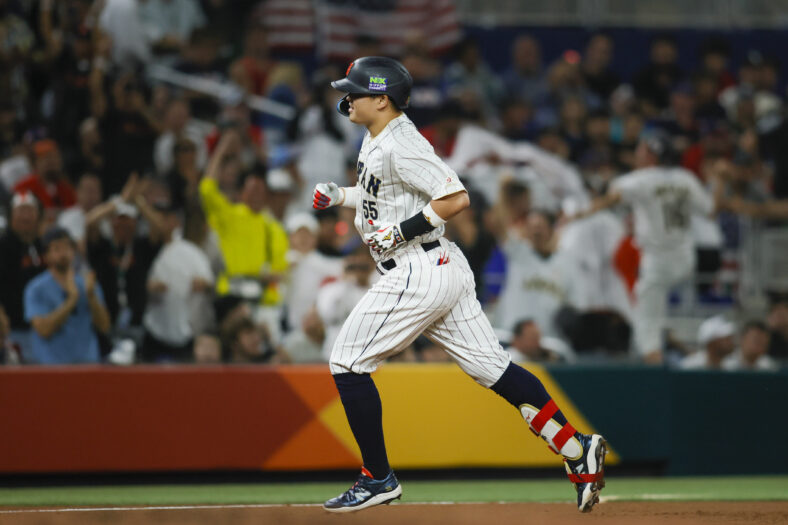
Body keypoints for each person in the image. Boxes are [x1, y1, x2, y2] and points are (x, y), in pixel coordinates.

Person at [312, 56, 606, 514]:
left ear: (382, 100)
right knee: (496, 370)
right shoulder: (378, 138)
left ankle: (377, 477)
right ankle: (576, 448)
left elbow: (455, 196)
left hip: (417, 268)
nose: (345, 97)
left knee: (347, 362)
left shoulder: (401, 142)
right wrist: (341, 196)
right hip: (441, 266)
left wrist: (403, 232)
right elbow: (382, 198)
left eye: (354, 91)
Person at [576, 131, 721, 363]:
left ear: (652, 155)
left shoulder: (640, 179)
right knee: (656, 312)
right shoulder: (686, 178)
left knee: (647, 319)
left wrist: (581, 214)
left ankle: (653, 367)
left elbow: (613, 196)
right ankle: (664, 354)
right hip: (685, 258)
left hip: (658, 259)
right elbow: (710, 210)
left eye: (641, 150)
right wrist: (719, 180)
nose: (637, 154)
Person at [24, 227, 110, 364]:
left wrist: (91, 296)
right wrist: (71, 300)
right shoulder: (36, 288)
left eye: (67, 247)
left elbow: (104, 326)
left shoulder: (87, 284)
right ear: (46, 256)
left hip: (87, 364)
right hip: (51, 366)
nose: (63, 253)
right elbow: (43, 330)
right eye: (57, 249)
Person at [142, 206, 214, 362]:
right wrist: (148, 287)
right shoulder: (145, 249)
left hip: (185, 333)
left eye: (163, 219)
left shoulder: (188, 251)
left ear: (174, 222)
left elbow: (209, 282)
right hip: (153, 331)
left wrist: (204, 284)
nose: (157, 223)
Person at [0, 192, 46, 360]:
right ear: (11, 216)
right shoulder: (3, 247)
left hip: (44, 329)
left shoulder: (44, 246)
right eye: (20, 211)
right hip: (13, 330)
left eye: (30, 211)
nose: (25, 217)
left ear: (38, 217)